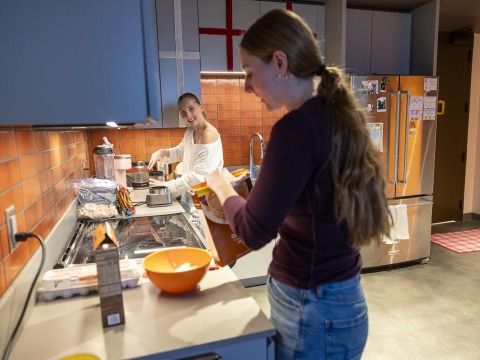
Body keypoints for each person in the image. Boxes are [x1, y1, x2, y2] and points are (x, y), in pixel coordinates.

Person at [204, 9, 391, 360]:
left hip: (313, 310)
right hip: (337, 303)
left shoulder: (296, 128)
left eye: (248, 72)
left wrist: (222, 186)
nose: (245, 86)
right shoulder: (332, 115)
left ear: (279, 62)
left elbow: (254, 232)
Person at [147, 93, 224, 203]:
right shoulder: (190, 131)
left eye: (191, 109)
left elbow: (198, 177)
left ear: (201, 107)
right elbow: (181, 152)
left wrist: (165, 185)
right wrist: (162, 152)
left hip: (208, 202)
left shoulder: (208, 135)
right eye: (183, 112)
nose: (188, 115)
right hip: (191, 198)